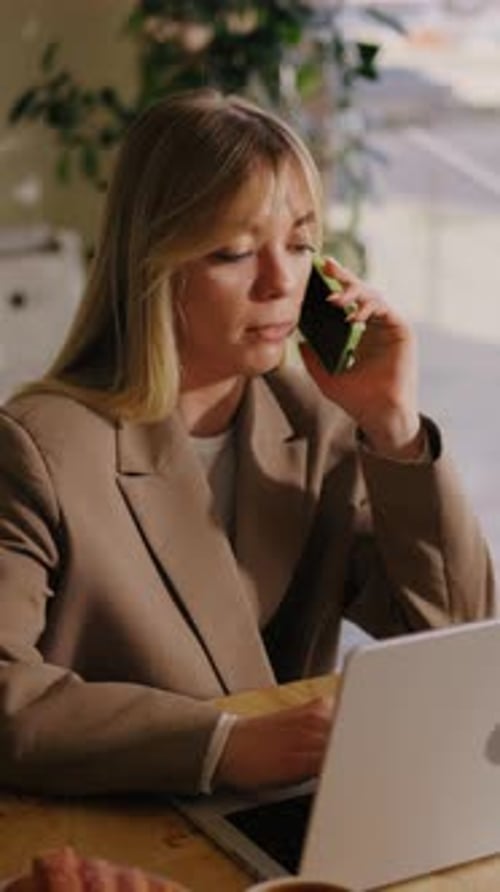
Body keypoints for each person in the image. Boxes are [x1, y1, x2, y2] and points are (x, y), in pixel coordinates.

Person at [0, 90, 495, 798]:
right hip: (126, 832)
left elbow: (459, 635)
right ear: (153, 266)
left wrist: (394, 429)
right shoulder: (38, 451)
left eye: (299, 244)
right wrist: (219, 745)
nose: (280, 281)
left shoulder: (319, 424)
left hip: (287, 823)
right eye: (233, 251)